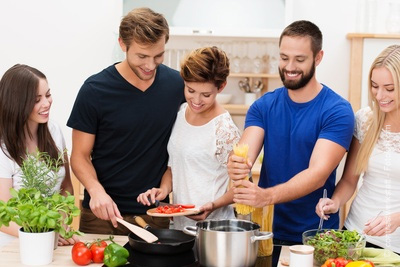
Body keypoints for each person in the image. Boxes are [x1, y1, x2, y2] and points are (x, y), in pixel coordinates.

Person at [227, 20, 355, 245]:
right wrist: (236, 164)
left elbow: (317, 175)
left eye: (300, 59)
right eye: (284, 58)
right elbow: (245, 153)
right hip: (267, 233)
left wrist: (267, 196)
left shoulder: (338, 111)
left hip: (315, 236)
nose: (289, 67)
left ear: (318, 58)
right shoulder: (263, 106)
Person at [67, 7, 185, 234]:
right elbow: (79, 156)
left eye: (158, 56)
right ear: (122, 44)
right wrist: (96, 191)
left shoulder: (176, 85)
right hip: (102, 216)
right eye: (142, 56)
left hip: (156, 214)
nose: (151, 65)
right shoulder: (94, 90)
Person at [137, 46, 241, 230]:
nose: (197, 100)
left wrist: (213, 205)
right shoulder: (181, 112)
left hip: (213, 230)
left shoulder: (225, 130)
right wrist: (163, 190)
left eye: (206, 94)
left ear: (221, 87)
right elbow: (173, 165)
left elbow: (243, 186)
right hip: (179, 227)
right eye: (190, 90)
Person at [316, 45, 400, 253]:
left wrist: (397, 218)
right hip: (355, 234)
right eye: (374, 86)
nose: (380, 96)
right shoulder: (365, 120)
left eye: (389, 88)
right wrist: (335, 202)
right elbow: (349, 180)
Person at [0, 64, 78, 246]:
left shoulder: (54, 131)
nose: (47, 103)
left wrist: (61, 225)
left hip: (50, 240)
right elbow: (2, 214)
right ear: (17, 103)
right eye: (37, 99)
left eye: (48, 95)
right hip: (13, 245)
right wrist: (44, 234)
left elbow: (66, 187)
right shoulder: (3, 148)